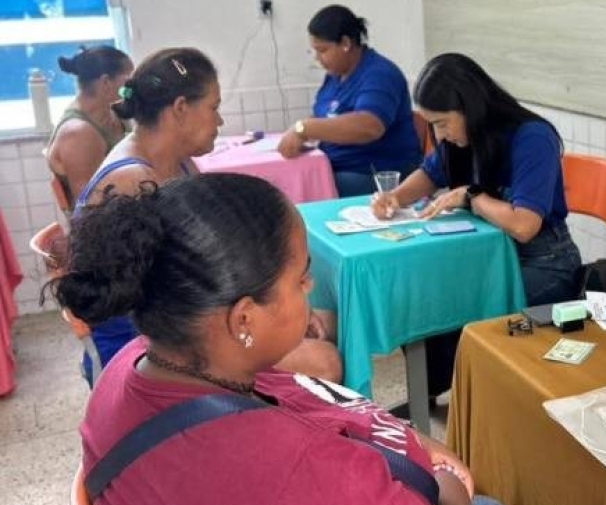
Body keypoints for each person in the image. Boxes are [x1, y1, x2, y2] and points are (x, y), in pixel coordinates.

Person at [52, 172, 606, 505]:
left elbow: (310, 405)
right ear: (243, 317)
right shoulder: (280, 472)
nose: (310, 295)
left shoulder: (137, 368)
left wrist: (400, 448)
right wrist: (444, 478)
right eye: (301, 281)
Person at [74, 47, 342, 385]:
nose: (220, 121)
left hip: (184, 325)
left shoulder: (179, 162)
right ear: (181, 108)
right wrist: (275, 319)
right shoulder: (136, 180)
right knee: (323, 361)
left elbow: (211, 263)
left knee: (327, 321)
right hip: (147, 347)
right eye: (214, 108)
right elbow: (186, 293)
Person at [372, 53, 583, 404]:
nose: (439, 135)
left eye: (442, 123)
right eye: (432, 126)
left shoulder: (532, 137)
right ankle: (438, 391)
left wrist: (472, 197)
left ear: (470, 106)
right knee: (419, 299)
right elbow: (428, 175)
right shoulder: (459, 140)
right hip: (484, 256)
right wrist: (394, 196)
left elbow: (524, 225)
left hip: (543, 261)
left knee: (460, 311)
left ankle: (472, 399)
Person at [278, 4, 422, 197]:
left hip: (374, 174)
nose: (317, 59)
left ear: (345, 43)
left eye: (322, 50)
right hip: (337, 166)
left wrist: (305, 128)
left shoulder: (379, 74)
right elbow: (324, 116)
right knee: (289, 181)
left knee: (301, 193)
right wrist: (303, 136)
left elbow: (369, 126)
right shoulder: (335, 77)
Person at [44, 45, 133, 210]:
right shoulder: (79, 134)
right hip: (102, 226)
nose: (132, 86)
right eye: (128, 80)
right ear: (106, 82)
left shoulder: (110, 113)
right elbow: (90, 206)